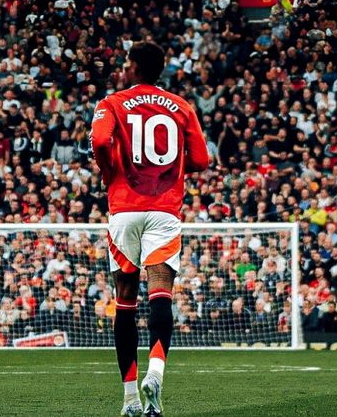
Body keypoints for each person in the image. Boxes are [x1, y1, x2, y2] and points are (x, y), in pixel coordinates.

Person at [92, 40, 210, 417]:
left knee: (124, 301)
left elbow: (98, 140)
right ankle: (156, 373)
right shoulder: (182, 106)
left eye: (126, 62)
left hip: (125, 208)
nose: (123, 68)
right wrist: (169, 171)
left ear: (135, 67)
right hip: (164, 209)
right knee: (162, 294)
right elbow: (202, 160)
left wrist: (111, 170)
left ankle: (129, 399)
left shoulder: (111, 103)